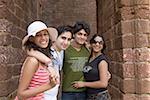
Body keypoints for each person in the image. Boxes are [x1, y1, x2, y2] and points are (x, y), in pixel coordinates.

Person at [26, 25, 73, 100]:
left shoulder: (61, 52)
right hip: (42, 95)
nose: (66, 42)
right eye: (63, 38)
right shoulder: (45, 52)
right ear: (55, 38)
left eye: (69, 39)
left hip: (52, 95)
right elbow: (29, 49)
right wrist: (49, 63)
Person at [15, 21, 58, 100]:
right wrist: (49, 85)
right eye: (38, 35)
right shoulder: (33, 61)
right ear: (31, 39)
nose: (43, 38)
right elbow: (21, 94)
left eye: (45, 34)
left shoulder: (43, 60)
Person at [72, 34, 111, 100]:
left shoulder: (102, 61)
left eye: (100, 43)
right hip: (89, 95)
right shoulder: (90, 57)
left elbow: (103, 84)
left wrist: (84, 84)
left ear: (103, 45)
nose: (97, 44)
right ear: (91, 43)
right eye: (95, 42)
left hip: (100, 96)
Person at [62, 21, 91, 100]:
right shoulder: (65, 48)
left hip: (84, 91)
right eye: (79, 34)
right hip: (68, 91)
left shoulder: (88, 50)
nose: (82, 37)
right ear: (74, 35)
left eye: (85, 35)